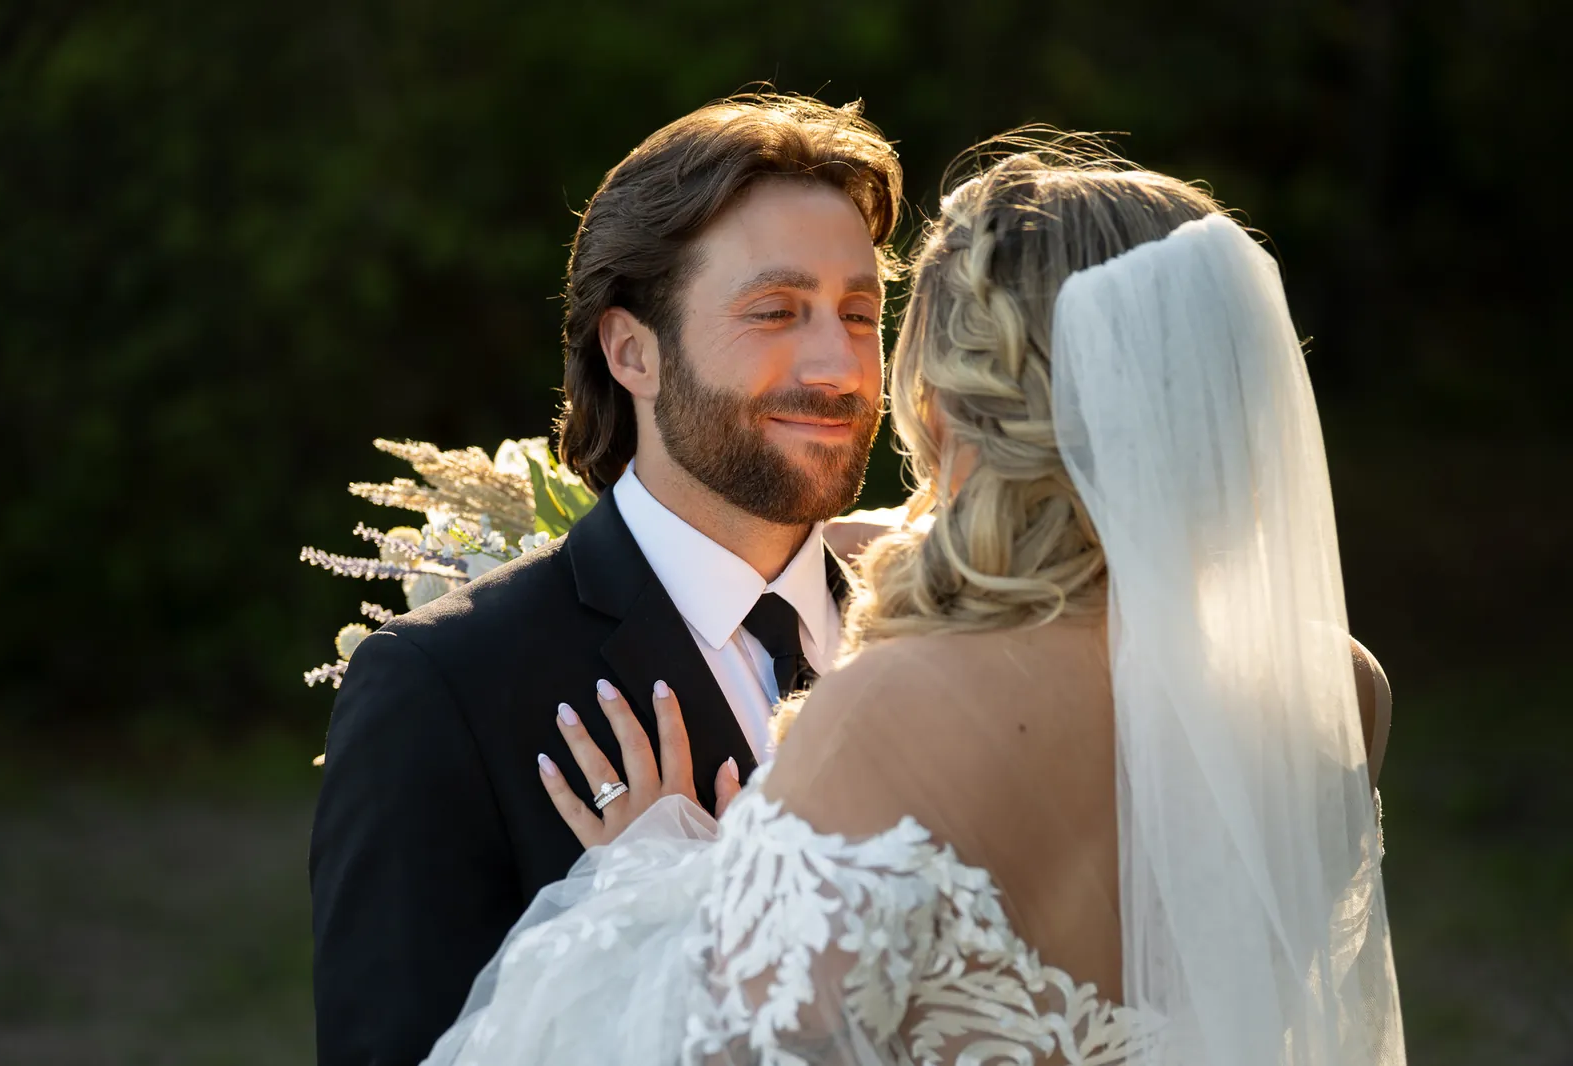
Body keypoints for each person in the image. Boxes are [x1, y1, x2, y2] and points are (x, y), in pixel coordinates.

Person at [420, 139, 1406, 1065]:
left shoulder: (890, 709)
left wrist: (647, 877)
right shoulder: (1336, 693)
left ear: (941, 402)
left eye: (868, 321)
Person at [308, 94, 904, 1066]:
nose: (839, 365)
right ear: (632, 351)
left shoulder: (932, 646)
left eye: (860, 314)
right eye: (774, 312)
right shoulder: (445, 687)